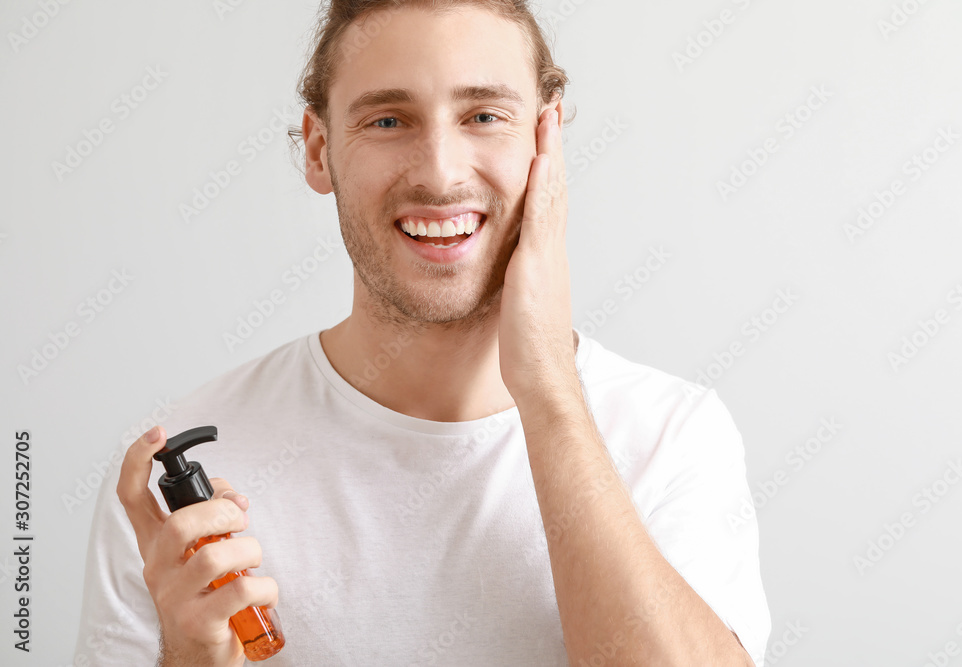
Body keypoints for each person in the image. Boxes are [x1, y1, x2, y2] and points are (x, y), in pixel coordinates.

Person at [74, 1, 771, 665]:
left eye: (484, 115)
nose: (440, 173)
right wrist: (193, 657)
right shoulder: (166, 489)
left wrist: (548, 386)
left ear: (546, 141)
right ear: (318, 150)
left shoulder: (674, 435)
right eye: (387, 121)